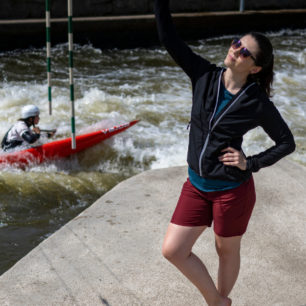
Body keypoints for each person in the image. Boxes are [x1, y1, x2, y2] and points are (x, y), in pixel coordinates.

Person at [154, 1, 295, 305]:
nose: (235, 50)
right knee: (173, 250)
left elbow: (287, 142)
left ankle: (220, 300)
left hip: (231, 190)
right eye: (236, 44)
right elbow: (169, 39)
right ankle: (217, 302)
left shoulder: (257, 102)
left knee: (225, 250)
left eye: (244, 52)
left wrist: (250, 162)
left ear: (255, 68)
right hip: (196, 184)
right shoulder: (204, 75)